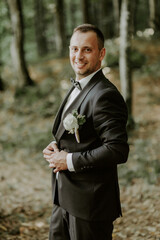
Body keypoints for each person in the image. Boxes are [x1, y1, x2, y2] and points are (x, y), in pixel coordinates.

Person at [43, 23, 129, 240]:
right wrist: (57, 147)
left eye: (87, 50)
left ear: (101, 54)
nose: (78, 56)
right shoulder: (78, 85)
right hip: (63, 197)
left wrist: (69, 160)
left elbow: (117, 149)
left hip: (90, 205)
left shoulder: (104, 95)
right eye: (74, 49)